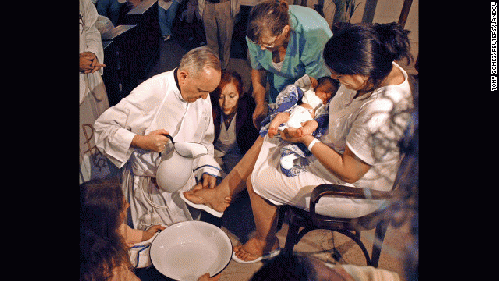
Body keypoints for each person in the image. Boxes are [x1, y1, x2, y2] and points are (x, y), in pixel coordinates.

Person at [182, 21, 414, 263]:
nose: (333, 78)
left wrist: (307, 139)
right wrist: (306, 119)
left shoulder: (381, 111)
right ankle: (223, 192)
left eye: (339, 75)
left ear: (362, 74)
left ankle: (266, 242)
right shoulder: (378, 62)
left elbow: (350, 172)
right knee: (270, 134)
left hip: (355, 189)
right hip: (337, 148)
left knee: (259, 180)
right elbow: (335, 102)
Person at [94, 46, 222, 230]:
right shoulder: (152, 91)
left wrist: (206, 169)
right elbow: (103, 127)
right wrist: (140, 141)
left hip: (183, 187)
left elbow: (203, 141)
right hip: (147, 190)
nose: (204, 98)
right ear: (184, 76)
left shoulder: (202, 95)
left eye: (209, 92)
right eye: (201, 90)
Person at [246, 0, 332, 127]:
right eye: (259, 44)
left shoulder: (313, 35)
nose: (262, 49)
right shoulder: (256, 33)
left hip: (312, 90)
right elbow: (257, 68)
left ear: (285, 31)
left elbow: (318, 85)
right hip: (279, 89)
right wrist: (260, 102)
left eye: (268, 44)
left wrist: (297, 114)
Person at [80, 178, 165, 281]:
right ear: (111, 218)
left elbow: (132, 234)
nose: (128, 205)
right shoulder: (106, 266)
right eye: (124, 205)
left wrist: (147, 234)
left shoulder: (115, 229)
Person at [80, 0, 112, 183]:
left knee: (93, 144)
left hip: (88, 84)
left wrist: (93, 54)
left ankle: (97, 196)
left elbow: (90, 27)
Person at [211, 70, 259, 176]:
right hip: (212, 155)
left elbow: (251, 147)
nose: (225, 103)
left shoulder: (248, 110)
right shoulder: (210, 108)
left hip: (238, 156)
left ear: (240, 94)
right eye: (221, 97)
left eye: (232, 96)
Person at [267, 76, 339, 139]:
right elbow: (297, 85)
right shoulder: (310, 91)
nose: (325, 96)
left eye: (329, 95)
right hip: (294, 112)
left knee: (314, 124)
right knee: (282, 115)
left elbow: (323, 116)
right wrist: (308, 80)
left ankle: (300, 132)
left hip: (305, 121)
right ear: (316, 87)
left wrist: (327, 102)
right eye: (324, 92)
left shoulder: (323, 106)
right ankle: (273, 126)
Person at [198, 0, 240, 70]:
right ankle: (214, 69)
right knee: (211, 43)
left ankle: (224, 69)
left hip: (224, 4)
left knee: (225, 42)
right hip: (207, 5)